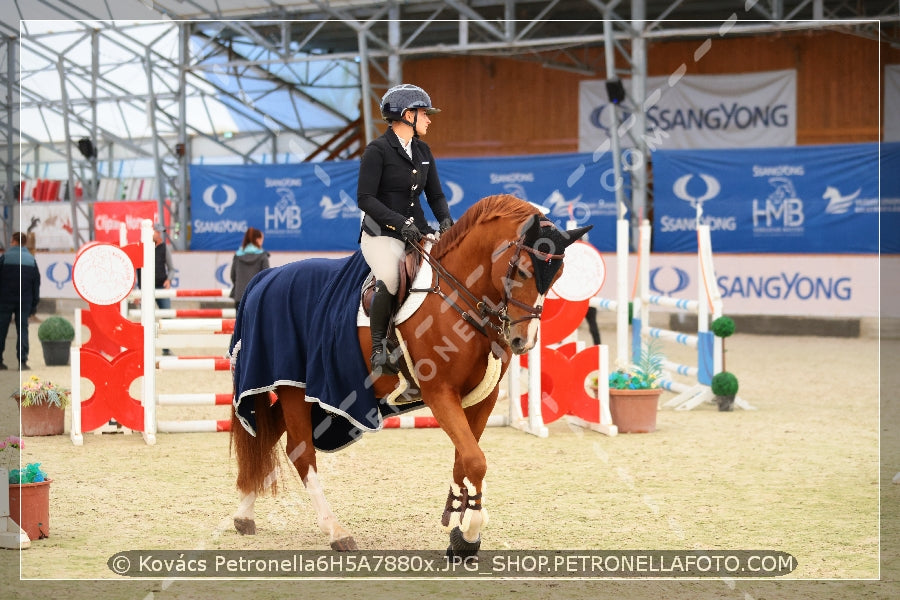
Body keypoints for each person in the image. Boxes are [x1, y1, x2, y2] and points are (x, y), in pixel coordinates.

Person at [357, 83, 454, 374]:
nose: (429, 119)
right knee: (390, 277)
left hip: (418, 232)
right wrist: (400, 223)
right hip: (381, 234)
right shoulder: (377, 150)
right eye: (424, 113)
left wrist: (446, 221)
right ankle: (378, 350)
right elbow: (365, 199)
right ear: (407, 115)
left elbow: (435, 195)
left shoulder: (423, 150)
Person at [0, 232, 41, 370]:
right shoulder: (31, 260)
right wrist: (34, 305)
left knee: (1, 330)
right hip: (25, 301)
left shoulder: (4, 258)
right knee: (22, 329)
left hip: (4, 300)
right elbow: (36, 284)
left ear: (14, 242)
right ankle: (22, 362)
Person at [136, 223, 175, 354]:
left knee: (167, 317)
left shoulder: (164, 248)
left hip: (160, 287)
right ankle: (143, 349)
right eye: (157, 232)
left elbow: (171, 268)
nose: (160, 234)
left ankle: (166, 348)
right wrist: (138, 291)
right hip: (145, 289)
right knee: (144, 319)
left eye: (160, 232)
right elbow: (136, 271)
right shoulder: (141, 248)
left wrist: (169, 279)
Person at [229, 227, 269, 312]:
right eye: (262, 239)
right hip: (256, 298)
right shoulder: (263, 256)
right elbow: (267, 278)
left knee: (240, 324)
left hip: (239, 296)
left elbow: (233, 276)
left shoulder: (237, 256)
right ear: (257, 240)